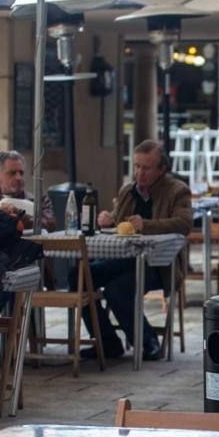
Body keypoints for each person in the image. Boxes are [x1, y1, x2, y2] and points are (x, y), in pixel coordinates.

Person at [84, 140, 192, 361]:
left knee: (117, 287)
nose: (140, 173)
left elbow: (184, 224)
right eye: (137, 166)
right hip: (122, 258)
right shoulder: (127, 190)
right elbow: (119, 221)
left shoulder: (177, 190)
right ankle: (107, 342)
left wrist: (147, 224)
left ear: (162, 169)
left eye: (146, 168)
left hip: (159, 263)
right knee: (80, 276)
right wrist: (109, 219)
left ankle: (148, 341)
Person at [0, 150, 57, 233]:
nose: (19, 178)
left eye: (21, 173)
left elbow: (50, 225)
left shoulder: (40, 200)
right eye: (12, 173)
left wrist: (19, 214)